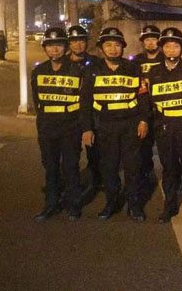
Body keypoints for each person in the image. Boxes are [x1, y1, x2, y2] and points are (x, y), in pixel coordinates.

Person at [79, 27, 150, 222]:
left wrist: (143, 120)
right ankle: (110, 203)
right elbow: (85, 102)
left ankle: (134, 205)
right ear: (101, 48)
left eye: (117, 45)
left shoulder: (133, 68)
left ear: (123, 48)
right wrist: (87, 129)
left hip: (130, 124)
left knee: (133, 167)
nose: (113, 49)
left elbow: (143, 97)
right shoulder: (92, 70)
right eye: (108, 45)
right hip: (104, 125)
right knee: (109, 167)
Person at [144, 27, 182, 226]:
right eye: (168, 46)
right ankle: (169, 206)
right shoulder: (153, 72)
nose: (172, 50)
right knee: (169, 167)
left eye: (176, 46)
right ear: (162, 48)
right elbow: (149, 99)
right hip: (164, 125)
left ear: (181, 48)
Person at [31, 27, 83, 221]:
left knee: (70, 167)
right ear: (45, 48)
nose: (54, 50)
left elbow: (83, 101)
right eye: (50, 46)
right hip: (47, 127)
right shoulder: (39, 71)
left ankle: (73, 205)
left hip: (70, 127)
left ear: (65, 47)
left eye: (59, 45)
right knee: (50, 167)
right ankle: (50, 204)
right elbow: (37, 101)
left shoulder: (77, 70)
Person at [67, 25, 101, 191]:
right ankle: (71, 184)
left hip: (91, 114)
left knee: (94, 150)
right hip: (69, 116)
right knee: (70, 153)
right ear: (69, 44)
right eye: (74, 42)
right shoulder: (63, 63)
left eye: (81, 41)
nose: (78, 45)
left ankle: (96, 181)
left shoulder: (96, 62)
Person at [132, 25, 165, 186]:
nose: (151, 42)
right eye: (147, 40)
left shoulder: (166, 58)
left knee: (167, 147)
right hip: (143, 109)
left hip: (162, 109)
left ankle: (172, 176)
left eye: (154, 39)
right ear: (143, 42)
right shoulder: (136, 61)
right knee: (143, 146)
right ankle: (146, 173)